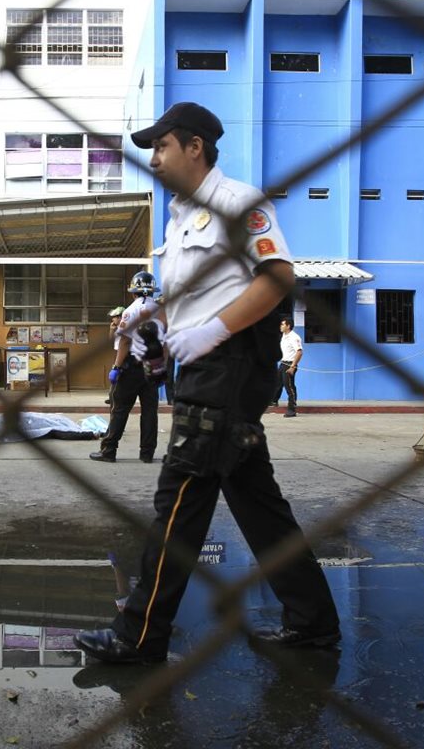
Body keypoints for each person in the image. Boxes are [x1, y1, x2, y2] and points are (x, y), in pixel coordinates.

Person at [74, 102, 339, 663]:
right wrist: (153, 322)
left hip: (230, 366)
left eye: (163, 146)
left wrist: (212, 331)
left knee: (180, 500)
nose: (155, 157)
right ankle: (313, 621)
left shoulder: (238, 203)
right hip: (199, 368)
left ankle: (139, 635)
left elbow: (277, 278)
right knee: (256, 502)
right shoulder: (177, 218)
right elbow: (189, 297)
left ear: (195, 146)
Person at [90, 271, 165, 463]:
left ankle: (108, 450)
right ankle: (147, 453)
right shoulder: (160, 310)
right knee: (150, 411)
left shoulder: (130, 311)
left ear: (133, 292)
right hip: (152, 363)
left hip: (131, 365)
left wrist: (116, 366)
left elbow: (124, 342)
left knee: (120, 409)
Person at [272, 316, 302, 418]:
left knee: (289, 386)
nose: (280, 326)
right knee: (277, 383)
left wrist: (293, 367)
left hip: (289, 365)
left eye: (282, 324)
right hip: (283, 363)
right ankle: (273, 401)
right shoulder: (284, 336)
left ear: (288, 326)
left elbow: (299, 352)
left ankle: (292, 410)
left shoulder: (294, 337)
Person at [104, 306, 125, 405]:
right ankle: (112, 396)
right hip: (117, 352)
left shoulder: (125, 326)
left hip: (125, 354)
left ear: (121, 317)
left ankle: (115, 396)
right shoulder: (115, 328)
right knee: (114, 377)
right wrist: (111, 330)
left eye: (115, 317)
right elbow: (110, 341)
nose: (113, 319)